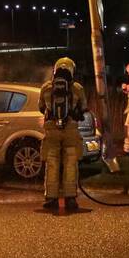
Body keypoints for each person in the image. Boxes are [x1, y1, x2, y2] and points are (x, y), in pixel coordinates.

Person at [39, 57, 88, 210]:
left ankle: (51, 198)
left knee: (52, 163)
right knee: (70, 163)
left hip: (52, 129)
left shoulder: (46, 87)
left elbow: (41, 107)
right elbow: (84, 107)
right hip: (70, 130)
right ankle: (70, 199)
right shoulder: (78, 88)